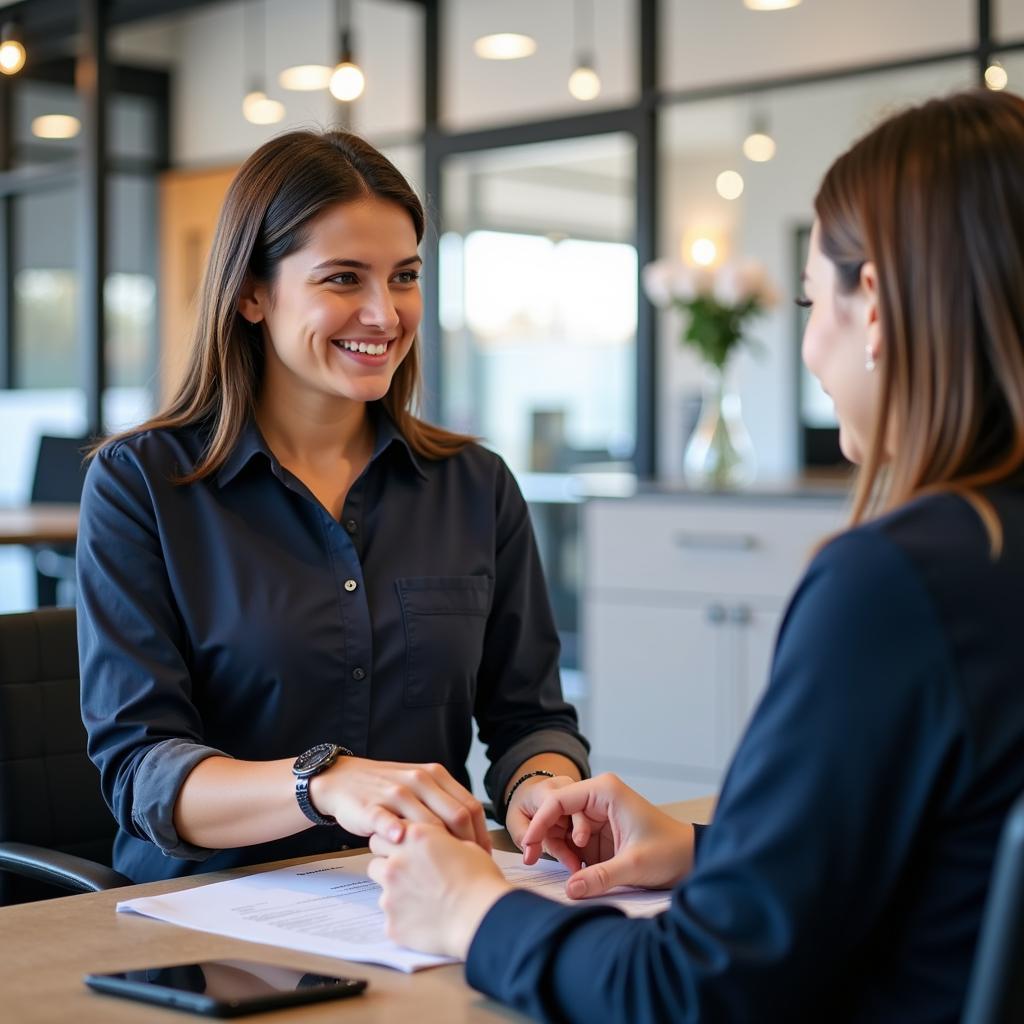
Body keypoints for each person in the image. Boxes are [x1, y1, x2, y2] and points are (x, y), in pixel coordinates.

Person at [366, 89, 1024, 1023]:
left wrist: (475, 911)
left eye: (810, 299)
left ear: (871, 305)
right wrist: (710, 850)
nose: (807, 343)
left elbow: (693, 990)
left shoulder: (896, 584)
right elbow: (958, 859)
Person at [76, 129, 589, 885]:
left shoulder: (475, 485)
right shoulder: (140, 485)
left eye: (405, 276)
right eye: (344, 279)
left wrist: (539, 788)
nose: (384, 314)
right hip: (208, 921)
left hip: (424, 904)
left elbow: (531, 718)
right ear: (252, 292)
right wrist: (322, 782)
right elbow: (143, 773)